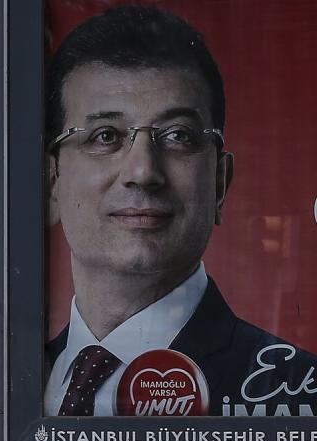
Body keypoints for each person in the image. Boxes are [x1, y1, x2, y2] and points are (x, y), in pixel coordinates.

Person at [43, 5, 316, 417]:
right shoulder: (19, 383)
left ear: (220, 184)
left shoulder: (298, 393)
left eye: (177, 135)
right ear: (51, 183)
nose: (142, 172)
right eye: (105, 136)